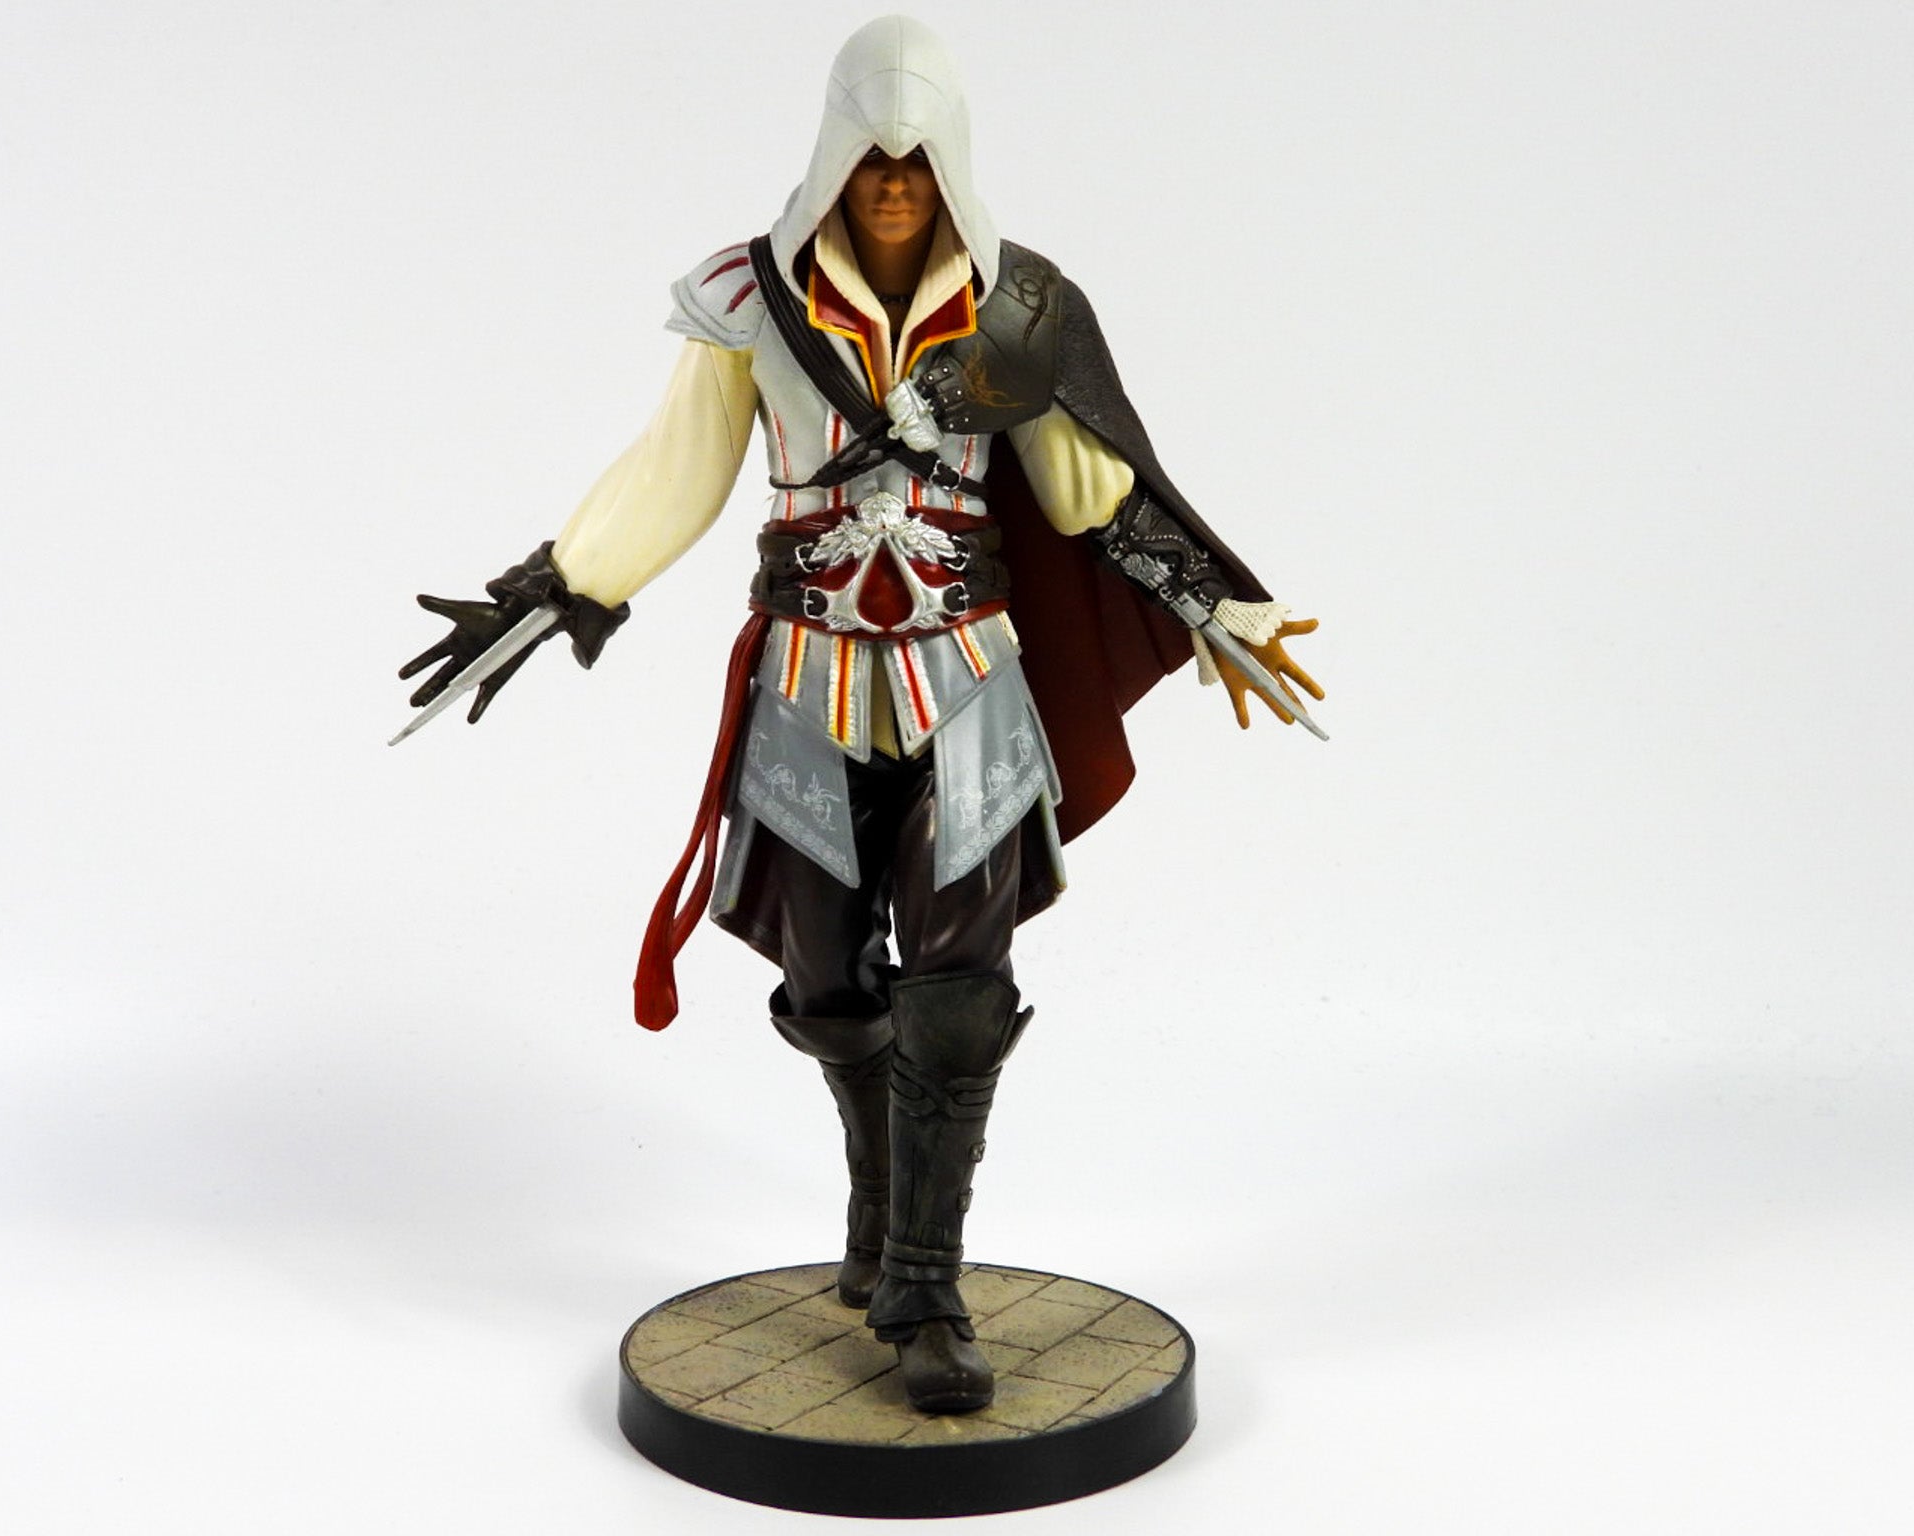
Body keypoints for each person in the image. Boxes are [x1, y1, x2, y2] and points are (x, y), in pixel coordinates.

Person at [400, 15, 1322, 1415]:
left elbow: (1087, 488)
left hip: (969, 682)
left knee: (959, 990)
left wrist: (1213, 604)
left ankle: (924, 1286)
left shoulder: (1019, 307)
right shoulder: (749, 298)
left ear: (950, 163)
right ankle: (879, 1203)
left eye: (916, 161)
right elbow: (677, 471)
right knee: (828, 977)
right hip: (808, 683)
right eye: (874, 160)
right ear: (837, 156)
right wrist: (559, 586)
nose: (894, 184)